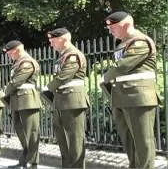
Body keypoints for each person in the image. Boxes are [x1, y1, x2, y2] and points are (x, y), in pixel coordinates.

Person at [101, 11, 159, 168]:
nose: (111, 31)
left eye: (113, 27)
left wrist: (106, 76)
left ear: (126, 25)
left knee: (142, 141)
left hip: (138, 97)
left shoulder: (140, 42)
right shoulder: (123, 44)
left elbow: (123, 66)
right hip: (121, 97)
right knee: (129, 142)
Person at [46, 28, 90, 168]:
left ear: (63, 39)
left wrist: (49, 87)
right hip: (61, 102)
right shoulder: (62, 57)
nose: (51, 44)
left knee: (75, 141)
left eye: (53, 41)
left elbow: (63, 77)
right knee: (63, 141)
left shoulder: (73, 55)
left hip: (73, 102)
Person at [2, 40, 42, 169]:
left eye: (9, 53)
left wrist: (5, 92)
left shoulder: (26, 62)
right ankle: (25, 158)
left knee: (31, 132)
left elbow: (16, 82)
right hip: (17, 100)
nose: (9, 55)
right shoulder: (18, 63)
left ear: (17, 50)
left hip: (27, 100)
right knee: (21, 131)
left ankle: (33, 162)